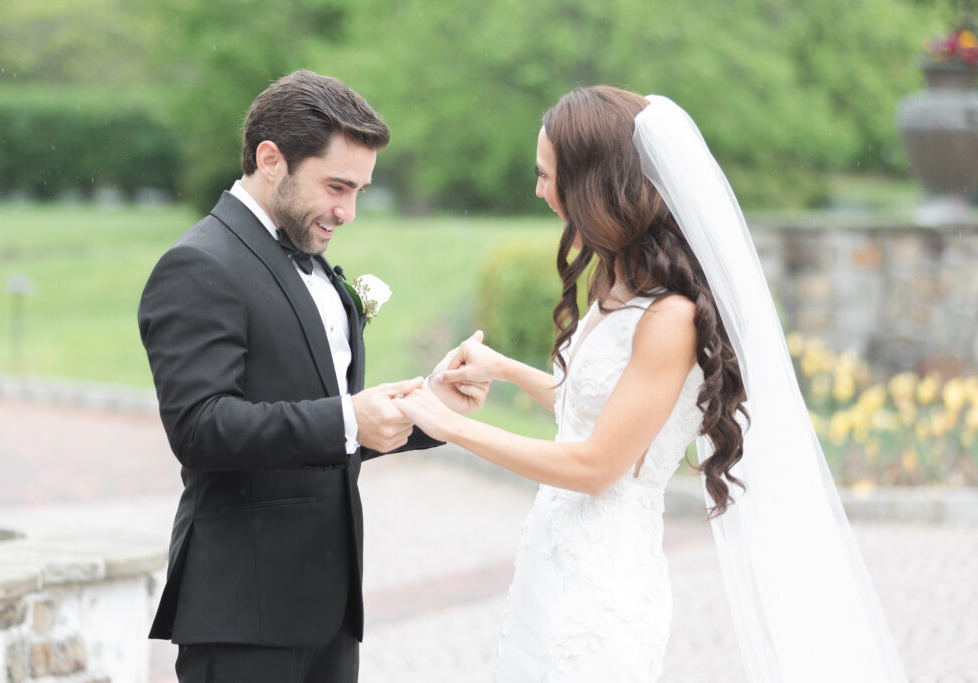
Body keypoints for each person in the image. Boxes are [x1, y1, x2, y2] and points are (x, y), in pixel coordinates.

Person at [394, 86, 908, 682]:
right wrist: (503, 371)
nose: (539, 191)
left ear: (594, 184)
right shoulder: (620, 283)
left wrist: (450, 425)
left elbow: (595, 465)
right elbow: (593, 410)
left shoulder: (670, 318)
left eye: (547, 176)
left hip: (601, 585)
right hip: (553, 562)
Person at [138, 70, 486, 683]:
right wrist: (349, 417)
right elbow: (199, 428)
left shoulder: (318, 267)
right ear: (271, 159)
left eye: (359, 191)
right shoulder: (197, 264)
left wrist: (430, 409)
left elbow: (329, 430)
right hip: (242, 615)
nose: (347, 212)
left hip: (329, 609)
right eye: (336, 186)